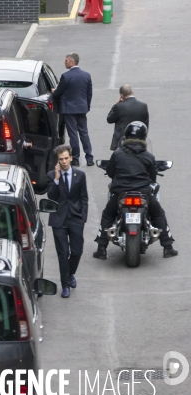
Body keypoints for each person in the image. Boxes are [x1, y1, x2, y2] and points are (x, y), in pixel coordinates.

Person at [93, 122, 177, 259]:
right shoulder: (149, 157)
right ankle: (168, 247)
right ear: (144, 137)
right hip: (143, 193)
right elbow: (152, 177)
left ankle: (101, 248)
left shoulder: (118, 154)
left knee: (108, 215)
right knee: (158, 214)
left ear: (126, 136)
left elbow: (110, 172)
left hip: (121, 193)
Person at [46, 144, 88, 299]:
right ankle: (65, 285)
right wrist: (56, 179)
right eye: (60, 159)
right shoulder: (52, 175)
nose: (63, 162)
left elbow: (84, 198)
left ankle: (70, 274)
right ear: (57, 161)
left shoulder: (80, 175)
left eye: (66, 158)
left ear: (71, 158)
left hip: (76, 218)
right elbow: (51, 197)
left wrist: (83, 217)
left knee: (77, 252)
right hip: (59, 219)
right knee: (63, 253)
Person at [51, 53, 94, 167]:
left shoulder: (66, 76)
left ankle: (75, 158)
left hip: (69, 109)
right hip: (82, 108)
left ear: (72, 62)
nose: (64, 62)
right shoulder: (86, 75)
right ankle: (89, 157)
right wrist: (87, 106)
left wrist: (53, 91)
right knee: (84, 132)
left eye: (66, 60)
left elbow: (58, 93)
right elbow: (89, 94)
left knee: (73, 134)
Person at [107, 84, 149, 151]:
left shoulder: (119, 106)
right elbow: (145, 125)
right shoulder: (143, 106)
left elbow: (109, 119)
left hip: (122, 142)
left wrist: (116, 104)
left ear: (121, 95)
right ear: (132, 92)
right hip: (139, 142)